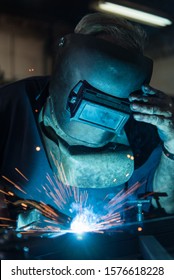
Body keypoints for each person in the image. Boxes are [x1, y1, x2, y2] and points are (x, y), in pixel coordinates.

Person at [0, 13, 174, 229]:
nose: (108, 81)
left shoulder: (144, 122)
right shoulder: (12, 103)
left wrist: (172, 144)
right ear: (70, 59)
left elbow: (163, 205)